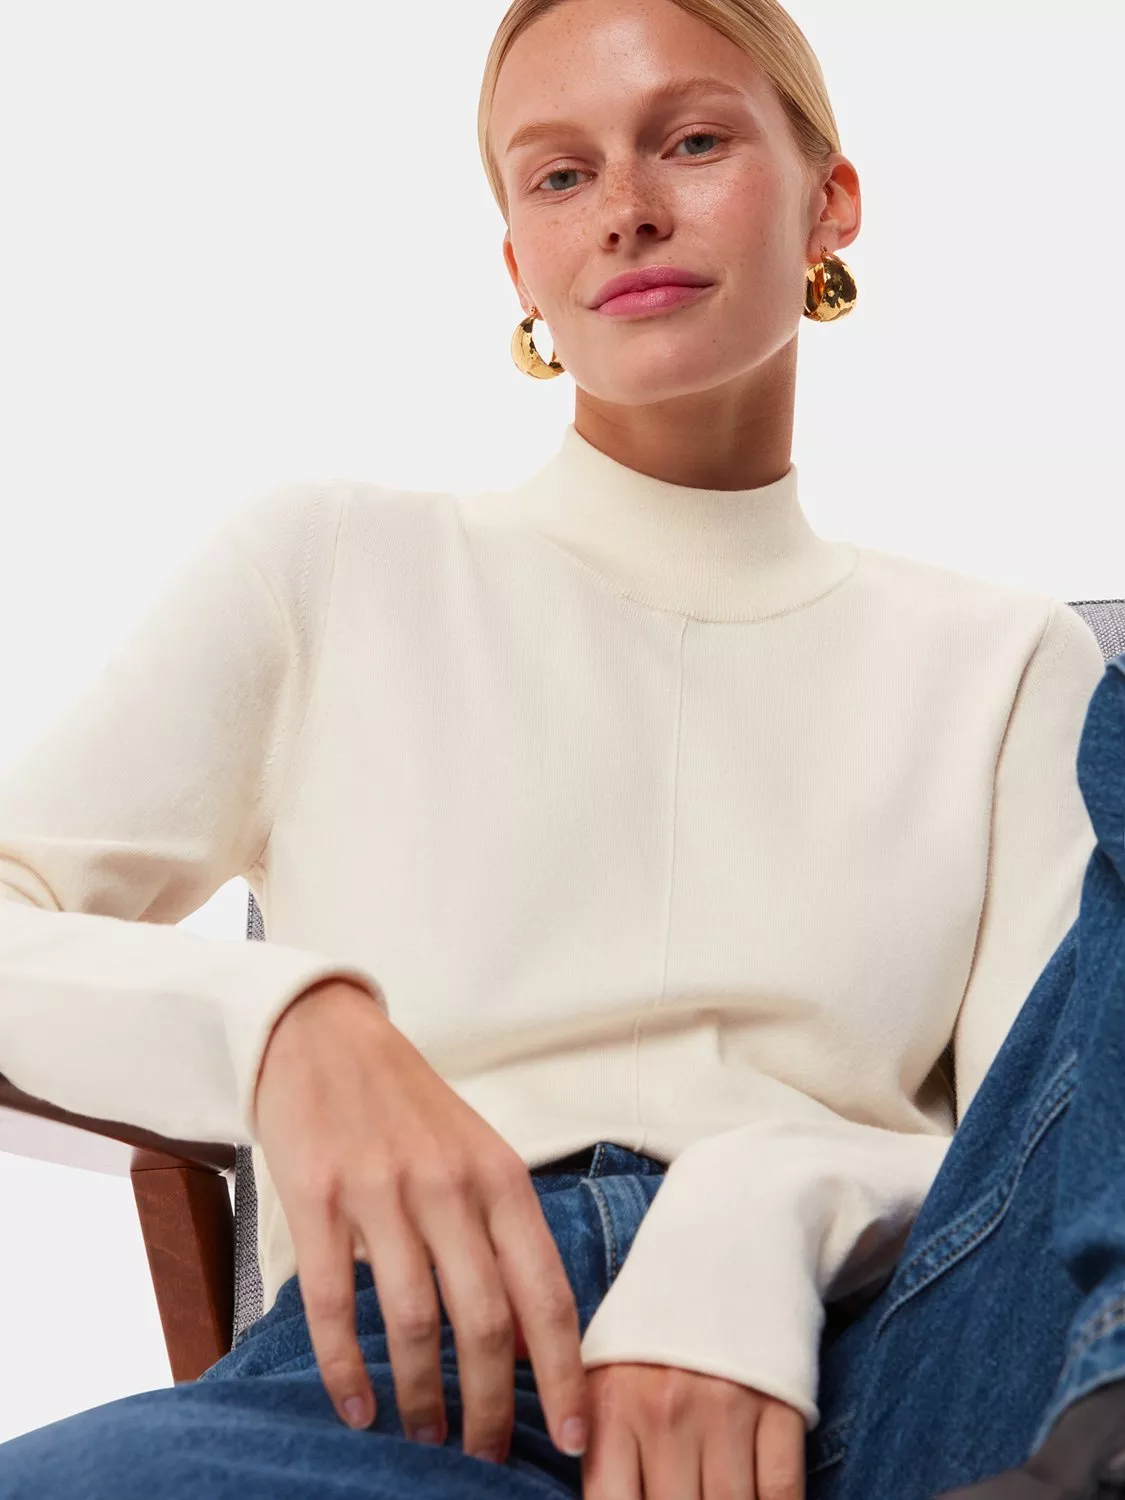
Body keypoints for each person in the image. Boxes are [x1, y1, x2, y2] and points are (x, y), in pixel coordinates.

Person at [0, 0, 1120, 1495]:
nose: (627, 210)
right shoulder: (328, 569)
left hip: (870, 1372)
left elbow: (1046, 1152)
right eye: (561, 175)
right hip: (417, 1389)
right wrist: (277, 1027)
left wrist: (761, 1208)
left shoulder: (1015, 663)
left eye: (693, 142)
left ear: (829, 202)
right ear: (519, 264)